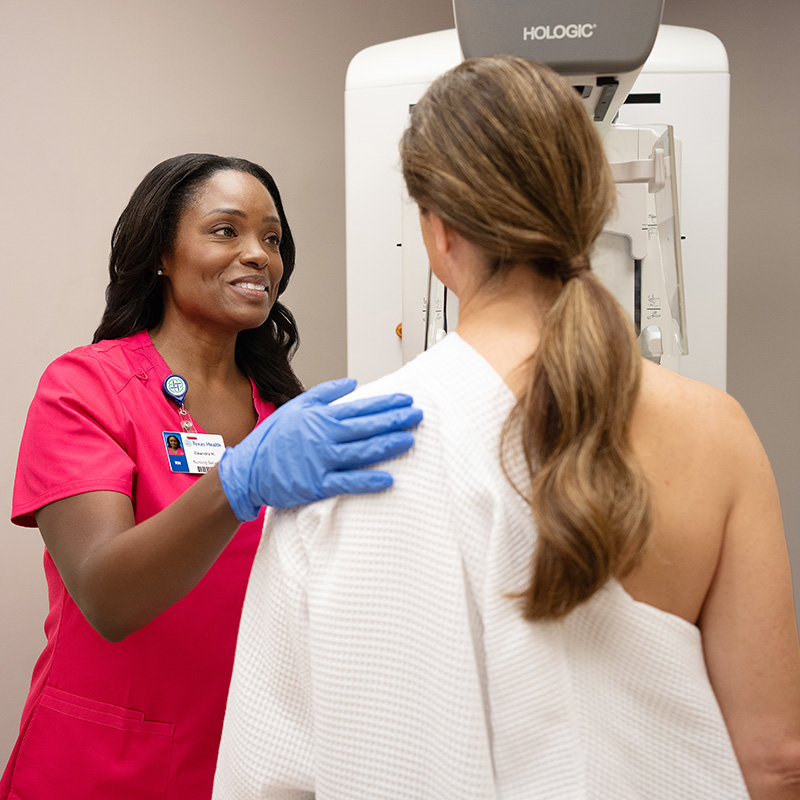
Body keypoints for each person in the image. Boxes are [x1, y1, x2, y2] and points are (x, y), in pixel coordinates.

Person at [213, 58, 800, 799]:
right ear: (592, 210)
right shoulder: (718, 434)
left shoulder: (341, 453)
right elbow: (776, 760)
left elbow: (270, 777)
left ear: (437, 229)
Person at [1, 153, 422, 800]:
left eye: (272, 238)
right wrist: (235, 484)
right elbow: (107, 597)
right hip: (103, 767)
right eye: (226, 231)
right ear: (160, 254)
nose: (259, 255)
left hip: (249, 763)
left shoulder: (284, 415)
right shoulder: (86, 388)